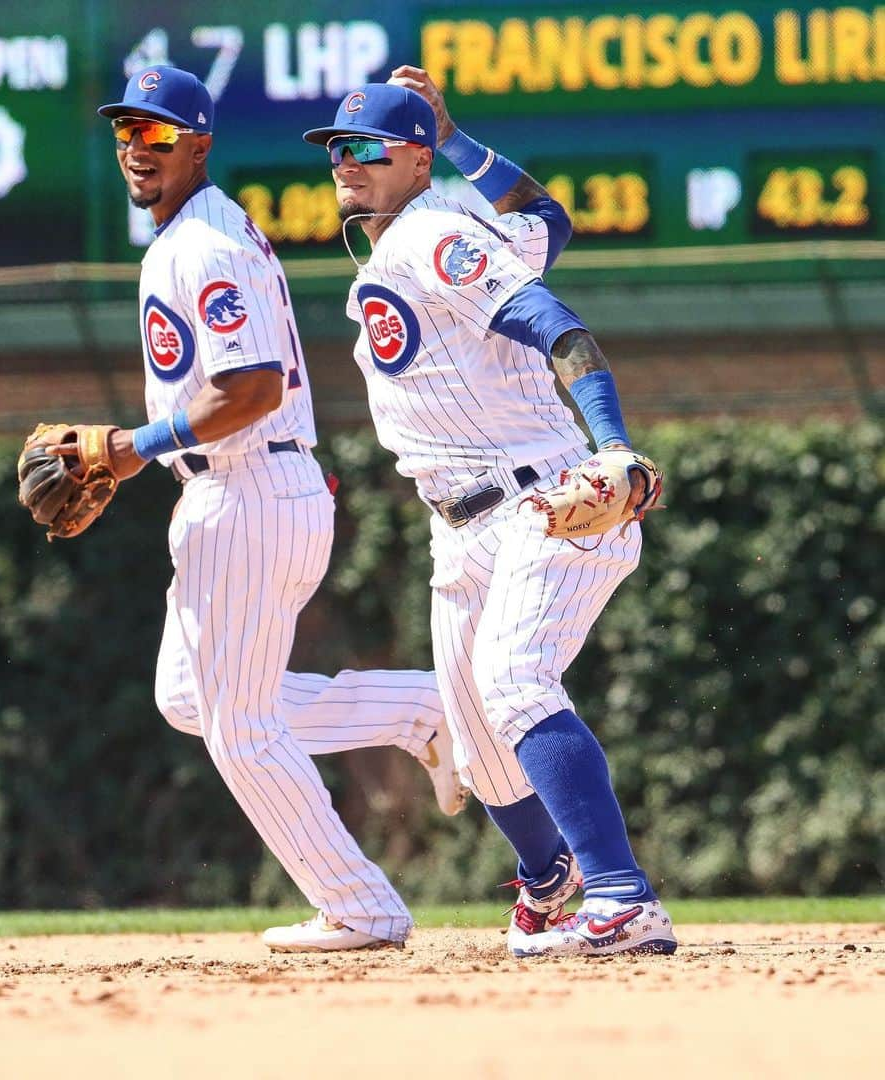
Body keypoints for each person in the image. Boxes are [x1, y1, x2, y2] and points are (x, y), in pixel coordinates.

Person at [90, 65, 476, 953]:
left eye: (155, 134)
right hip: (246, 488)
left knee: (240, 728)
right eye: (125, 133)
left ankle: (361, 907)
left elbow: (253, 387)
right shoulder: (191, 236)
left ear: (198, 144)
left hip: (248, 489)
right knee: (191, 695)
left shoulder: (204, 248)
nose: (136, 150)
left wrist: (127, 448)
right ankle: (422, 708)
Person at [302, 69, 677, 957]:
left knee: (515, 682)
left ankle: (623, 900)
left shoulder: (434, 237)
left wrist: (615, 448)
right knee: (474, 741)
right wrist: (461, 136)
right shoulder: (442, 230)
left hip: (540, 500)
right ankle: (551, 885)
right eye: (336, 149)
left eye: (366, 148)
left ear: (415, 159)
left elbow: (560, 326)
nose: (345, 163)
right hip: (461, 524)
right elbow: (551, 221)